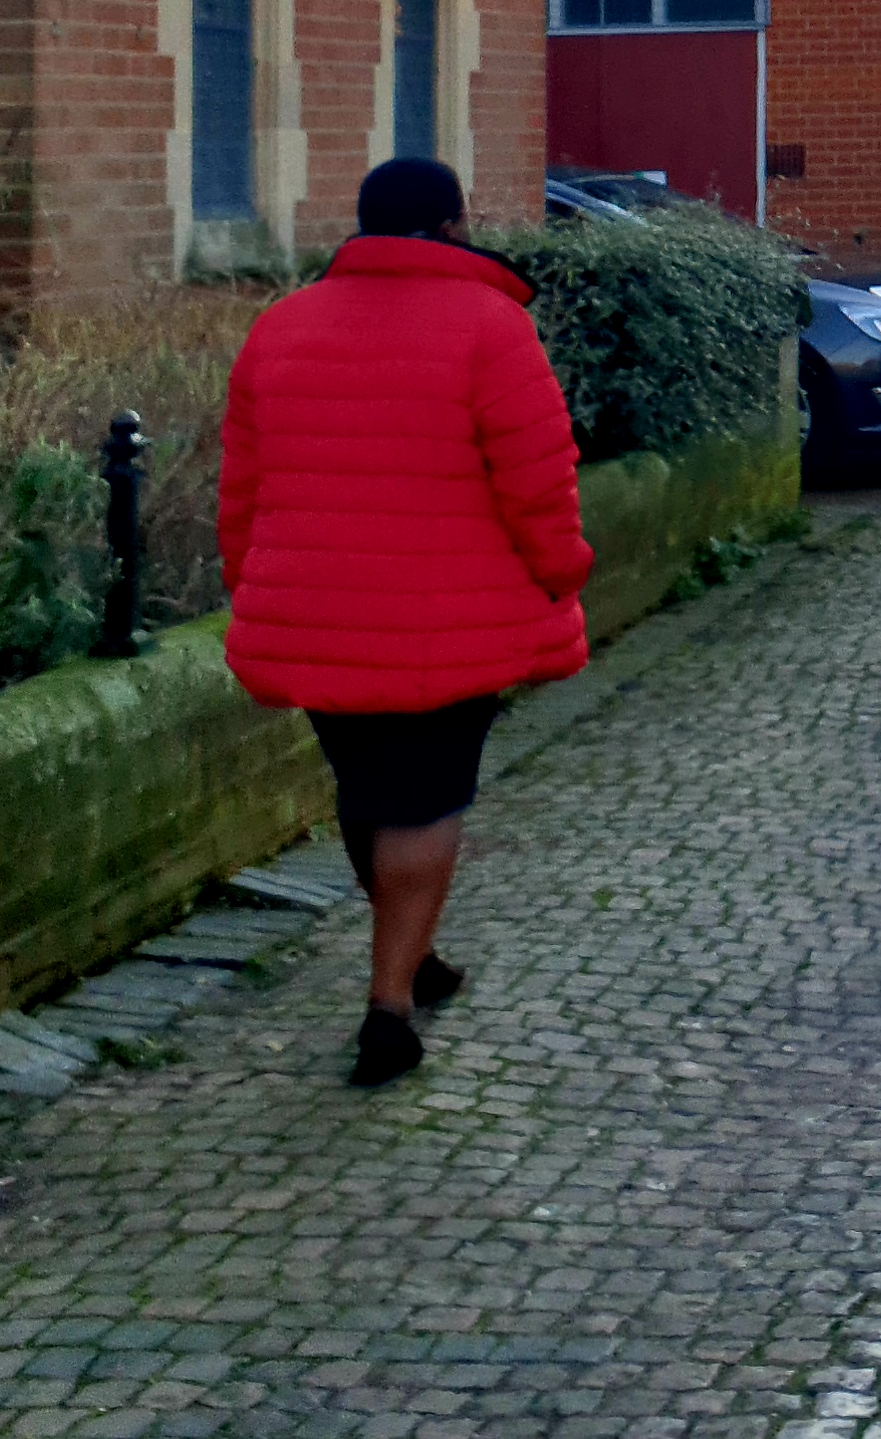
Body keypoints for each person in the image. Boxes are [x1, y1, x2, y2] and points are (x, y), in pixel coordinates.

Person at [216, 155, 591, 1087]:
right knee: (426, 795)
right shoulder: (492, 327)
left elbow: (243, 489)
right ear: (456, 227)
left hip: (315, 612)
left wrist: (255, 588)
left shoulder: (281, 327)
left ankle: (413, 956)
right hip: (452, 624)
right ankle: (388, 1006)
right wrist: (562, 571)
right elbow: (537, 478)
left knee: (367, 789)